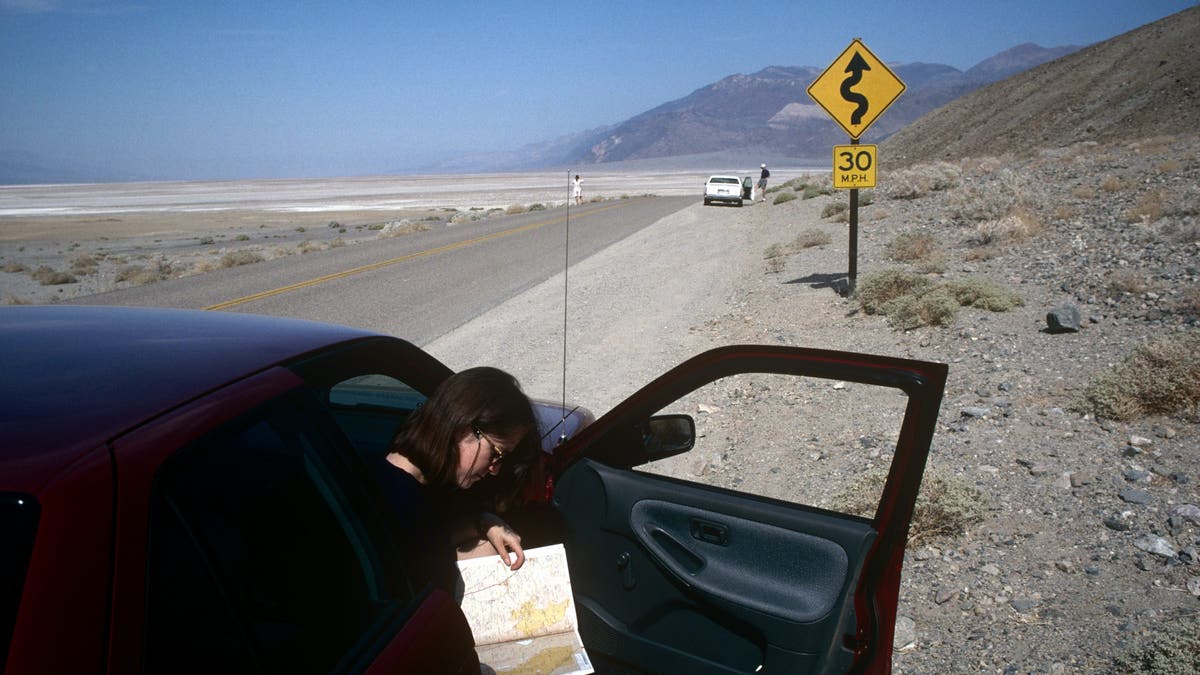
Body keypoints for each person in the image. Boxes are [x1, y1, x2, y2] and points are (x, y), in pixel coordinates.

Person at [371, 366, 540, 597]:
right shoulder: (391, 499)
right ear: (463, 427)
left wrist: (483, 522)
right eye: (496, 454)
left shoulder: (419, 485)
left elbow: (432, 538)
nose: (495, 470)